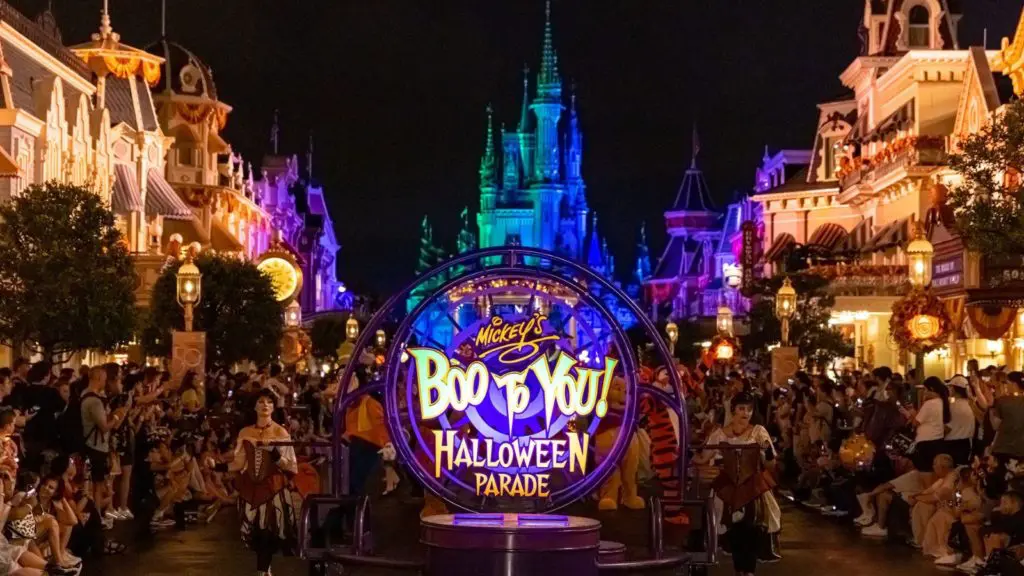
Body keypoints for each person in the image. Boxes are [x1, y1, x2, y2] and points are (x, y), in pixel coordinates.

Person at [693, 392, 781, 575]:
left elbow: (771, 464)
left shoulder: (758, 432)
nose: (746, 413)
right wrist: (688, 454)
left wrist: (768, 452)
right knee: (730, 529)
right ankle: (738, 569)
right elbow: (703, 458)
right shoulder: (719, 434)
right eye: (741, 409)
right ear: (733, 410)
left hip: (752, 487)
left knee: (753, 528)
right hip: (727, 488)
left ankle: (748, 571)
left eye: (749, 409)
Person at [226, 389, 301, 576]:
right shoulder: (245, 432)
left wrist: (276, 456)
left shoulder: (280, 431)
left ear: (274, 407)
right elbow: (239, 462)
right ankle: (264, 570)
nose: (265, 405)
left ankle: (262, 571)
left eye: (268, 402)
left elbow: (291, 465)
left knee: (269, 531)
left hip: (273, 487)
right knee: (256, 533)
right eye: (260, 401)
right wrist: (218, 466)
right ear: (254, 406)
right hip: (251, 488)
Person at [902, 377, 950, 487]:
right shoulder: (942, 402)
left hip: (925, 443)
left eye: (925, 389)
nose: (923, 392)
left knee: (926, 476)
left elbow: (915, 422)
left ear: (931, 389)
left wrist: (910, 413)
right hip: (937, 441)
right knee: (934, 476)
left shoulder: (929, 404)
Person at [992, 372, 1024, 462]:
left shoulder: (1003, 401)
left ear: (1013, 384)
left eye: (1006, 383)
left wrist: (991, 409)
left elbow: (995, 425)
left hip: (1004, 448)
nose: (1005, 385)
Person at [946, 376, 976, 466]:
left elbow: (948, 427)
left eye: (950, 387)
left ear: (954, 389)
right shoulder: (971, 404)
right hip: (967, 443)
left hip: (952, 444)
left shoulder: (952, 406)